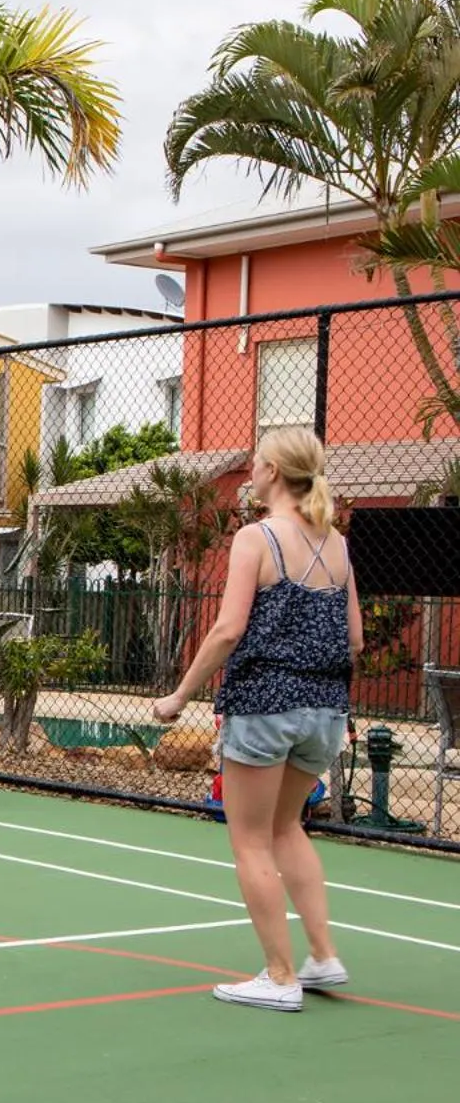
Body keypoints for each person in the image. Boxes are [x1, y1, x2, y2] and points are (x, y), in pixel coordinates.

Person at [154, 427, 362, 1012]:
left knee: (249, 840)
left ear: (272, 471)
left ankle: (279, 974)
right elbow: (355, 638)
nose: (251, 468)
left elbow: (227, 630)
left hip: (265, 706)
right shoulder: (338, 545)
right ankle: (323, 956)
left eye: (256, 462)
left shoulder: (256, 538)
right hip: (325, 712)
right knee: (285, 827)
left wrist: (178, 696)